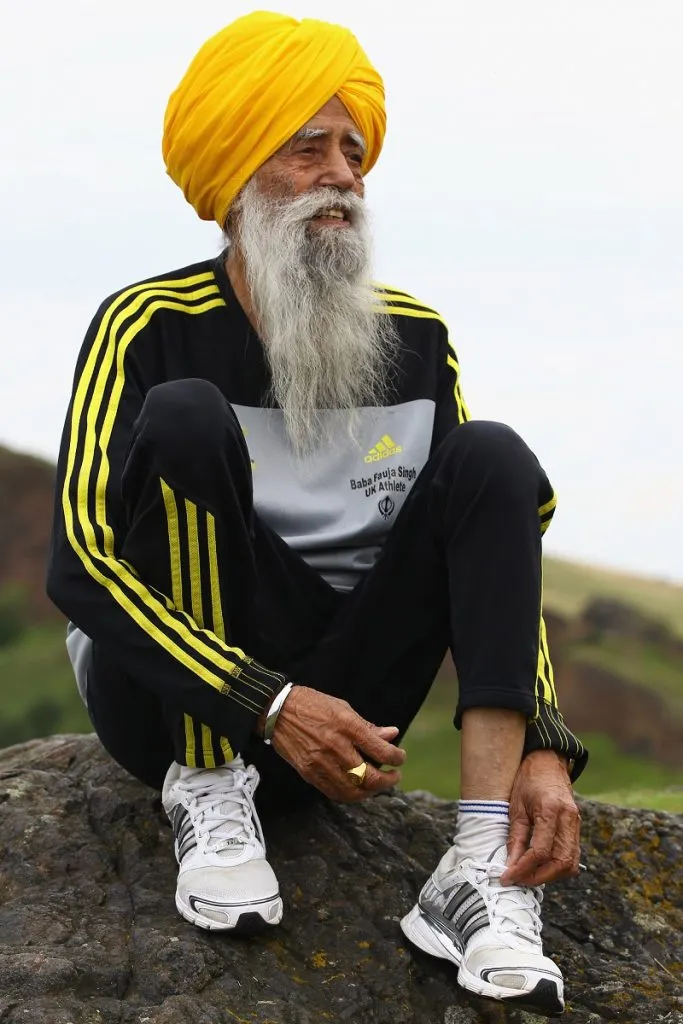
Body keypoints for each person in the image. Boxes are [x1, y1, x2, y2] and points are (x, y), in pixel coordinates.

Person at [47, 11, 587, 1015]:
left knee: (493, 456)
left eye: (353, 149)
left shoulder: (418, 337)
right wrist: (263, 701)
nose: (343, 174)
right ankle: (209, 797)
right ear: (241, 173)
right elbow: (78, 556)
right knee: (187, 421)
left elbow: (495, 547)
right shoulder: (146, 326)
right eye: (308, 147)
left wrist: (544, 742)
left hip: (351, 707)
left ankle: (475, 867)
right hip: (174, 707)